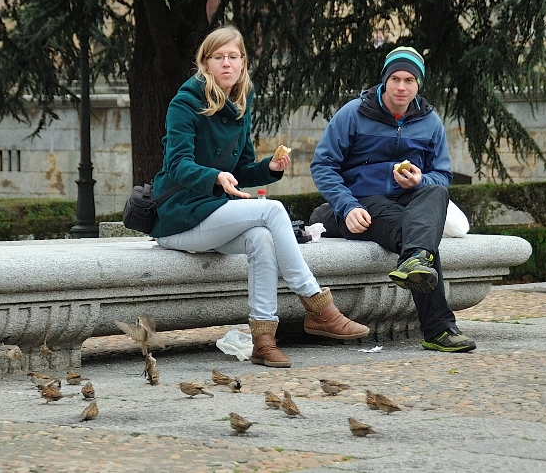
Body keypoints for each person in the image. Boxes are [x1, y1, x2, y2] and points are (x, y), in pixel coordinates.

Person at [150, 25, 370, 369]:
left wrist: (271, 167)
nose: (226, 64)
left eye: (233, 57)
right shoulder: (185, 102)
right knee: (272, 210)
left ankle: (263, 340)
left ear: (242, 63)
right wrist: (214, 176)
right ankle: (318, 304)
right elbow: (177, 165)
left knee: (261, 239)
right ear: (205, 63)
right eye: (218, 57)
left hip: (210, 211)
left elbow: (240, 169)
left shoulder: (240, 102)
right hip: (177, 216)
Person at [310, 46, 476, 353]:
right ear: (384, 80)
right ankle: (439, 329)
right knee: (421, 243)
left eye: (409, 80)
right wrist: (347, 206)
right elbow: (323, 165)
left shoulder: (430, 122)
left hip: (409, 201)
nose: (401, 87)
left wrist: (420, 180)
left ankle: (416, 260)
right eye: (395, 79)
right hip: (363, 202)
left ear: (418, 84)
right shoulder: (353, 114)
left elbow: (442, 174)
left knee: (435, 193)